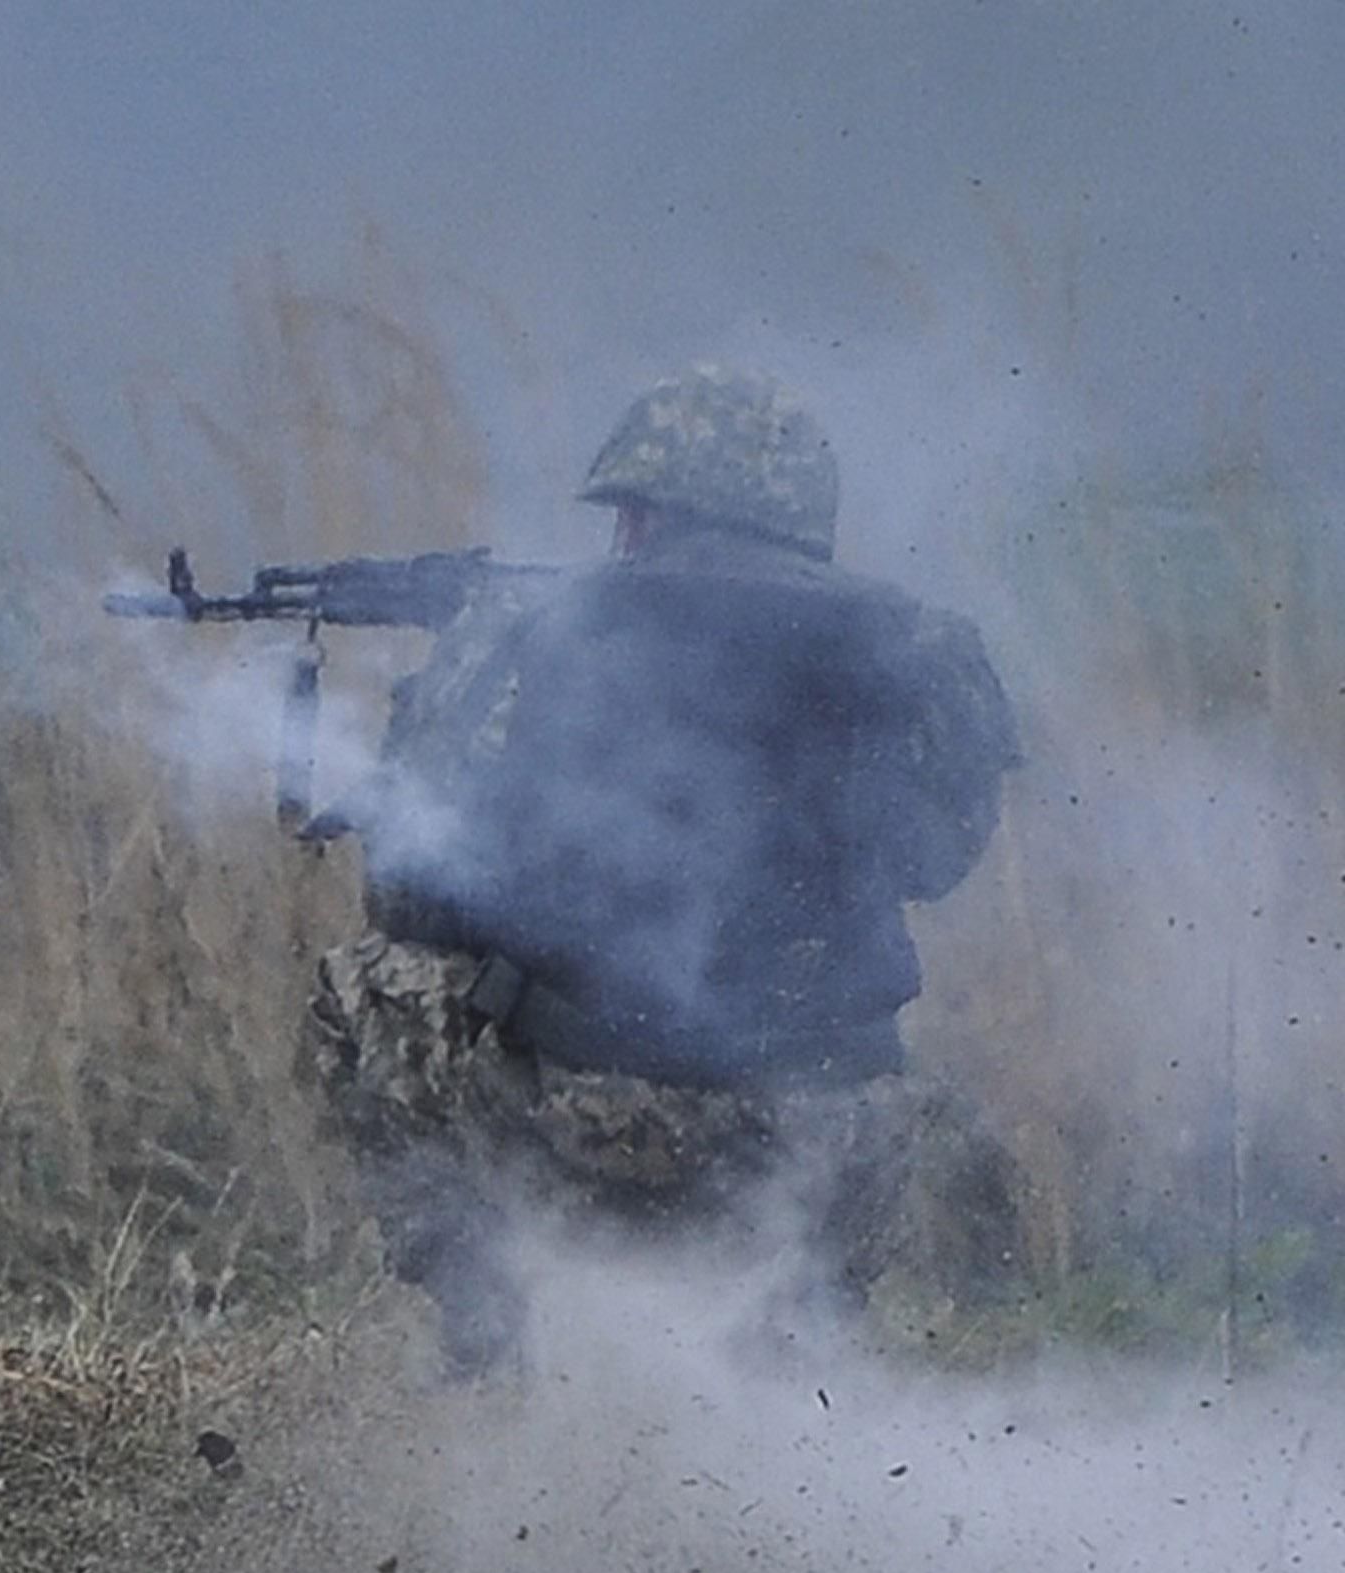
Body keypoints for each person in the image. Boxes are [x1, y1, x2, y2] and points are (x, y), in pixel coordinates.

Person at [306, 366, 1019, 1378]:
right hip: (838, 1136)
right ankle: (800, 1333)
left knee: (368, 983)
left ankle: (488, 1334)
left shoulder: (542, 624)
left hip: (605, 1123)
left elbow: (419, 884)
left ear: (645, 513)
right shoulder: (913, 640)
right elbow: (937, 861)